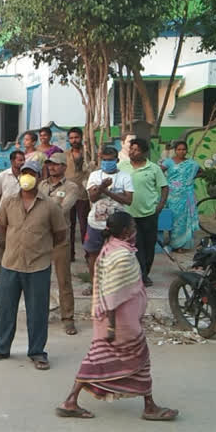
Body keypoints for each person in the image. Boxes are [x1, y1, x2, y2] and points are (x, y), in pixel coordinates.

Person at [55, 212, 178, 422]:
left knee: (99, 359)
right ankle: (149, 406)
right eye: (133, 228)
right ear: (126, 232)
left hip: (114, 321)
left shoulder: (111, 248)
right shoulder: (121, 256)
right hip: (120, 323)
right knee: (139, 359)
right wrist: (111, 328)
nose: (136, 232)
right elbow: (112, 294)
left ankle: (71, 400)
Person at [0, 160, 67, 370]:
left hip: (38, 266)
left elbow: (60, 234)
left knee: (37, 311)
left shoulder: (49, 206)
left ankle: (37, 352)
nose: (27, 177)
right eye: (24, 173)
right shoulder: (9, 201)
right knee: (6, 309)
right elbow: (2, 227)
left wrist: (41, 248)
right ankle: (1, 347)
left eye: (32, 173)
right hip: (11, 263)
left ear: (40, 178)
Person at [119, 138, 168, 286]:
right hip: (128, 214)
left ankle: (145, 271)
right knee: (136, 245)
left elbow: (164, 187)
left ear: (144, 153)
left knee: (149, 245)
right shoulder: (122, 165)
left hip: (149, 213)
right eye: (131, 149)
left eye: (136, 150)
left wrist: (160, 206)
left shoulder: (153, 168)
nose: (132, 152)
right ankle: (141, 275)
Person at [84, 146, 134, 294]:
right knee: (93, 254)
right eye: (104, 160)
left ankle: (116, 286)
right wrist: (101, 187)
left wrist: (106, 191)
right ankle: (94, 284)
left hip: (119, 225)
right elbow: (92, 197)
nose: (107, 163)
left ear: (117, 160)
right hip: (96, 223)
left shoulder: (125, 177)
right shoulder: (94, 175)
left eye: (110, 160)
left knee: (118, 255)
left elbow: (128, 200)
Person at [40, 153, 80, 335]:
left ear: (64, 167)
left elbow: (64, 209)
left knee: (63, 279)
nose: (52, 167)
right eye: (50, 164)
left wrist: (43, 210)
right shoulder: (41, 185)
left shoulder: (71, 187)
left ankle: (68, 318)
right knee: (40, 278)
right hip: (41, 238)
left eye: (56, 164)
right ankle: (41, 313)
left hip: (60, 238)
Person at [160, 141, 201, 251]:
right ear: (175, 150)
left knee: (183, 220)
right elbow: (158, 173)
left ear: (186, 150)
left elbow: (201, 172)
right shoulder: (169, 162)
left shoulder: (192, 164)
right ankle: (173, 242)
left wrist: (189, 179)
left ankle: (181, 245)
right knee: (173, 219)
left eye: (183, 149)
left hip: (186, 196)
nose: (181, 151)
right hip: (172, 196)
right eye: (179, 149)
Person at [0, 150, 25, 283]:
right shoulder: (2, 176)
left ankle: (18, 271)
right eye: (19, 160)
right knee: (2, 243)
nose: (22, 162)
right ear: (12, 161)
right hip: (4, 216)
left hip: (22, 217)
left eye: (23, 159)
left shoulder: (27, 176)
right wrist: (1, 212)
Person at [65, 127, 91, 262]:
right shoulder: (65, 155)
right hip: (68, 195)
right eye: (71, 138)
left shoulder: (88, 154)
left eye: (76, 137)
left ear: (81, 138)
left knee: (84, 226)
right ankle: (70, 255)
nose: (74, 140)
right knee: (68, 225)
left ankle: (88, 255)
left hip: (83, 194)